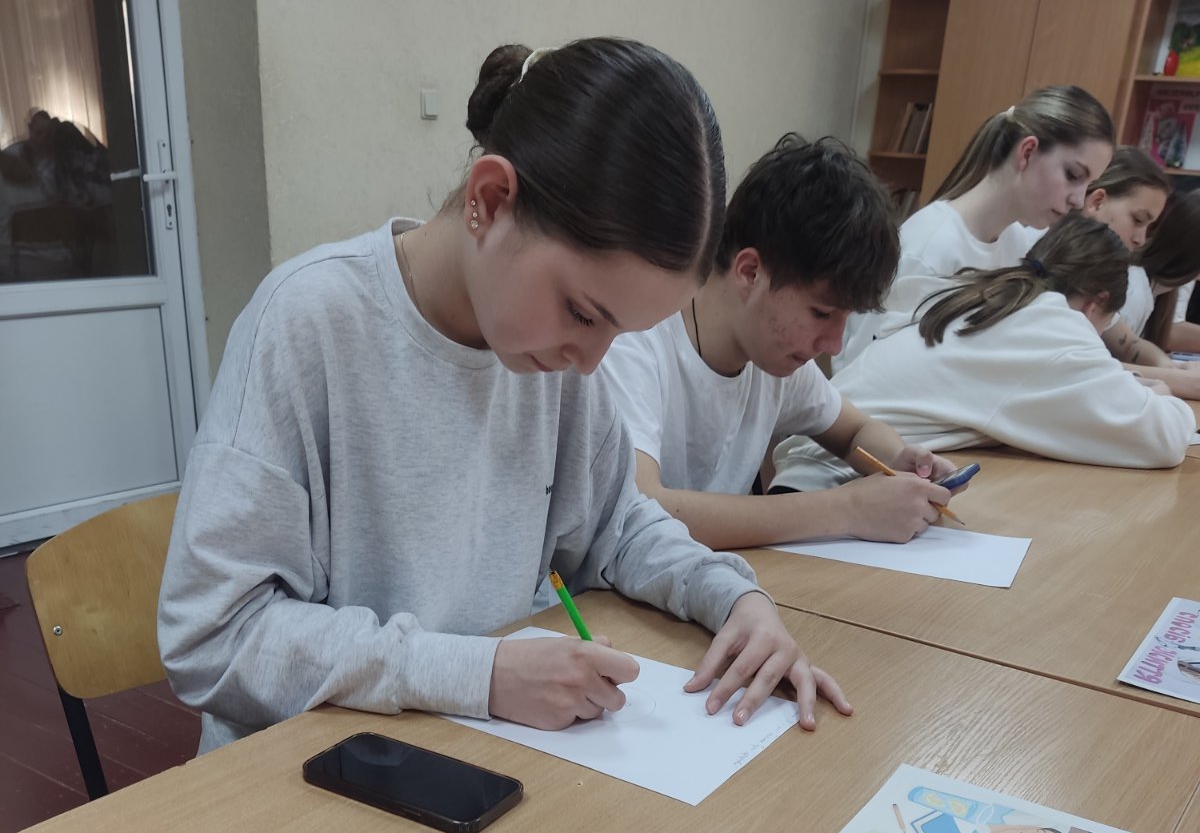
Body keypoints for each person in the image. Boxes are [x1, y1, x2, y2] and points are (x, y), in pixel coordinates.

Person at [159, 39, 851, 751]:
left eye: (620, 332)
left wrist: (735, 598)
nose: (591, 362)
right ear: (490, 200)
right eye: (582, 312)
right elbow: (213, 636)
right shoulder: (309, 323)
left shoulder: (553, 360)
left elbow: (619, 525)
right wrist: (479, 674)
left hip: (481, 751)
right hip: (308, 771)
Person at [600, 135, 956, 549]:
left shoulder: (773, 357)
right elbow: (642, 509)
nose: (834, 344)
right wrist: (848, 509)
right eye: (821, 313)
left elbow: (855, 430)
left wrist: (900, 463)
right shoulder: (635, 340)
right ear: (750, 272)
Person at [771, 213, 1194, 478]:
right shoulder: (1054, 325)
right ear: (1094, 305)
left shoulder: (987, 291)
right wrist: (1160, 392)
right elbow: (1163, 437)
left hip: (829, 458)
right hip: (843, 473)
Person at [837, 85, 1114, 368]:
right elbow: (856, 368)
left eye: (1088, 184)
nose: (1078, 200)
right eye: (1073, 175)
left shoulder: (1018, 242)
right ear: (1027, 152)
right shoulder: (928, 249)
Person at [1099, 190, 1200, 394]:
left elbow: (1133, 345)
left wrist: (1172, 368)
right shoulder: (1133, 287)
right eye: (1138, 220)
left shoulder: (1151, 290)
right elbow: (1098, 368)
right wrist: (1180, 378)